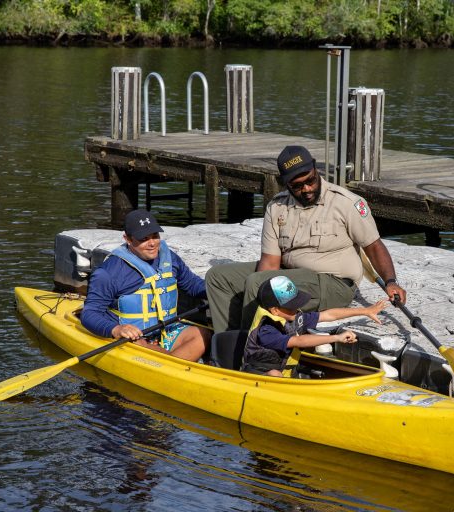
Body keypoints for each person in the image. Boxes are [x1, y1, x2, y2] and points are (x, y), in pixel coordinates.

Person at [205, 145, 406, 333]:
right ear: (286, 184)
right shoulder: (276, 207)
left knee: (256, 283)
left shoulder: (345, 203)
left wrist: (391, 281)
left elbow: (373, 245)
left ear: (315, 170)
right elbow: (270, 263)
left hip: (332, 283)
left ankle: (250, 352)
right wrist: (264, 291)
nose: (307, 189)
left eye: (310, 180)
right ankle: (227, 342)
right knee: (219, 277)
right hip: (291, 274)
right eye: (298, 186)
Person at [81, 209, 212, 362]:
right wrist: (116, 329)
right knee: (154, 352)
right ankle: (173, 368)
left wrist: (221, 293)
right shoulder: (109, 272)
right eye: (144, 238)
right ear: (128, 239)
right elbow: (90, 313)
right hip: (132, 337)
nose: (152, 243)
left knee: (203, 334)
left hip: (165, 330)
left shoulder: (169, 258)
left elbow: (192, 284)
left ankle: (172, 367)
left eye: (155, 236)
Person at [241, 275, 387, 377]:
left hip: (286, 372)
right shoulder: (266, 330)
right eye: (292, 305)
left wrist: (365, 311)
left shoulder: (292, 317)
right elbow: (298, 341)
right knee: (275, 374)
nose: (297, 307)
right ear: (275, 310)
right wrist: (336, 337)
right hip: (257, 375)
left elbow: (328, 315)